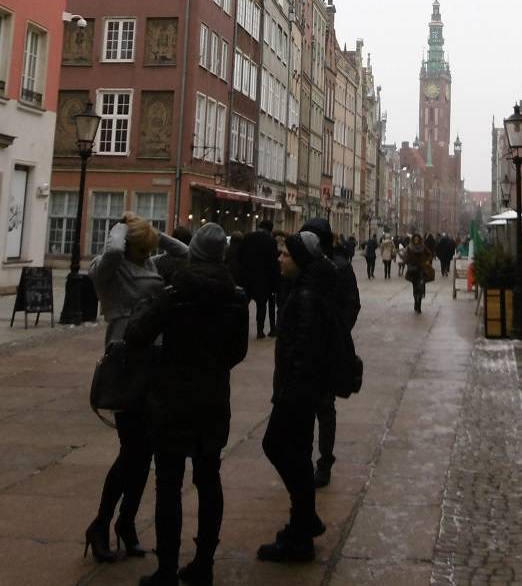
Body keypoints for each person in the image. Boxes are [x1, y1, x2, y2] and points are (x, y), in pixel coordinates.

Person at [127, 223, 248, 586]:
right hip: (213, 398)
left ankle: (166, 569)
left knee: (168, 485)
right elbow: (237, 351)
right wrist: (214, 366)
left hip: (171, 399)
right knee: (209, 480)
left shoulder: (174, 293)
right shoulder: (235, 297)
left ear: (193, 253)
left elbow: (137, 335)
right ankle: (203, 563)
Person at [84, 213, 189, 564]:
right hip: (126, 365)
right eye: (142, 247)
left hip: (155, 363)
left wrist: (155, 234)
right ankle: (101, 524)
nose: (148, 253)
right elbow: (114, 251)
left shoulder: (148, 264)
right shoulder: (109, 271)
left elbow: (185, 254)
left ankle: (126, 524)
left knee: (145, 453)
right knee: (132, 450)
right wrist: (121, 226)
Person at [258, 231, 337, 563]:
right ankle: (302, 525)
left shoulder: (304, 296)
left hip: (297, 392)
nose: (280, 259)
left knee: (274, 445)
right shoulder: (307, 288)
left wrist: (287, 393)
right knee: (300, 455)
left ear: (300, 260)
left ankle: (303, 524)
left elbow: (302, 349)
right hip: (305, 389)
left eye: (286, 255)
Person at [301, 217, 359, 490]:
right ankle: (309, 459)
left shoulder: (339, 267)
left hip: (326, 348)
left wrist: (337, 332)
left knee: (324, 407)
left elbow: (352, 305)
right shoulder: (301, 265)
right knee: (312, 408)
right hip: (304, 347)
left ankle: (324, 461)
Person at [240, 219, 280, 338]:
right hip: (263, 278)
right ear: (270, 229)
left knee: (244, 303)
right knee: (261, 305)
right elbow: (273, 262)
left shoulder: (247, 237)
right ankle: (260, 330)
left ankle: (241, 328)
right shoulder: (271, 241)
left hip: (247, 276)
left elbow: (239, 256)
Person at [403, 232, 433, 313]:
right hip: (413, 270)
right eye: (415, 239)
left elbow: (430, 254)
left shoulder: (423, 247)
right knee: (415, 288)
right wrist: (407, 262)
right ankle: (416, 302)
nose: (416, 241)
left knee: (421, 287)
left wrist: (427, 261)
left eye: (417, 239)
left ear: (419, 240)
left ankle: (419, 305)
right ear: (413, 240)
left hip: (421, 270)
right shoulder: (409, 247)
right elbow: (405, 258)